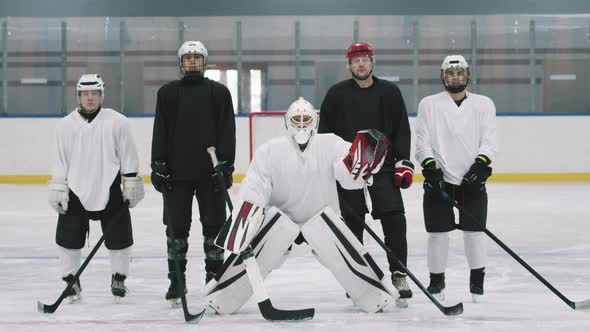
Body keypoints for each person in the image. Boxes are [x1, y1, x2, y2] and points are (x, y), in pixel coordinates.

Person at [206, 97, 395, 315]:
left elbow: (348, 179)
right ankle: (222, 298)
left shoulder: (331, 143)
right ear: (288, 122)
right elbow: (255, 188)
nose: (302, 124)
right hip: (280, 222)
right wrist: (246, 224)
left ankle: (374, 296)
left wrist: (364, 162)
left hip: (322, 219)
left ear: (315, 121)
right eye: (297, 119)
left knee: (340, 242)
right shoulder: (269, 151)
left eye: (306, 119)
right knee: (260, 244)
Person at [318, 42, 415, 302]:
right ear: (348, 65)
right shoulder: (336, 94)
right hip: (347, 169)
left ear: (372, 62)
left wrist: (403, 162)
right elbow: (324, 135)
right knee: (352, 224)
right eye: (355, 60)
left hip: (382, 167)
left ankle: (398, 272)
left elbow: (401, 130)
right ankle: (357, 275)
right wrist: (328, 167)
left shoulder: (390, 92)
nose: (360, 64)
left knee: (395, 218)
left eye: (365, 59)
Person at [151, 40, 236, 305]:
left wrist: (226, 164)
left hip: (210, 173)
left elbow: (227, 131)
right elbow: (160, 131)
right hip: (176, 174)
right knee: (176, 228)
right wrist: (158, 164)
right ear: (181, 63)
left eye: (197, 58)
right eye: (188, 58)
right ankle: (177, 282)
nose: (192, 62)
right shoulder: (167, 93)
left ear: (204, 62)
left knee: (214, 226)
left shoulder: (219, 92)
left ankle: (214, 277)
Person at [48, 73, 144, 303]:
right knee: (68, 236)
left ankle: (118, 277)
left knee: (119, 235)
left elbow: (128, 153)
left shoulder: (117, 121)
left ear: (101, 95)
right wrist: (59, 186)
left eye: (94, 93)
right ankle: (71, 279)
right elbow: (60, 158)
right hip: (76, 189)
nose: (90, 98)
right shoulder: (66, 125)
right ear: (79, 96)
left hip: (109, 185)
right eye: (85, 94)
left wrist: (130, 181)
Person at [415, 54, 497, 302]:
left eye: (460, 72)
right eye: (450, 73)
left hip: (471, 181)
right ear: (443, 76)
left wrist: (479, 168)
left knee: (474, 233)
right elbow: (421, 142)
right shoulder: (428, 104)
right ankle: (437, 282)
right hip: (440, 181)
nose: (455, 77)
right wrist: (430, 169)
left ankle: (476, 284)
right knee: (437, 234)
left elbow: (490, 141)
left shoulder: (484, 104)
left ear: (467, 75)